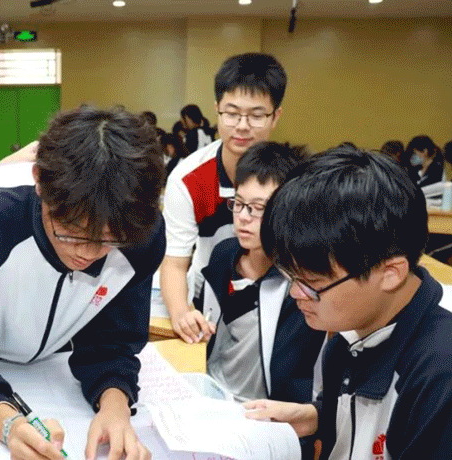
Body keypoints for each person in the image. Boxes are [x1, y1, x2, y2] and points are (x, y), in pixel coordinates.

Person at [0, 106, 165, 460]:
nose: (88, 254)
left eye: (109, 241)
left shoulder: (138, 231)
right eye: (72, 233)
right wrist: (7, 425)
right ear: (39, 182)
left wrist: (115, 407)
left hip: (49, 354)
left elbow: (113, 343)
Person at [244, 146, 452, 459]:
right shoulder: (350, 337)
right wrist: (317, 416)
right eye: (291, 277)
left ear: (391, 273)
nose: (296, 293)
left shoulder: (438, 376)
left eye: (313, 284)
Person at [161, 52, 287, 344]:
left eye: (256, 115)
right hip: (208, 298)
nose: (242, 125)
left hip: (276, 301)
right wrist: (181, 312)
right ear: (217, 110)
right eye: (231, 113)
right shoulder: (188, 178)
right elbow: (175, 263)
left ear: (276, 116)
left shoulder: (291, 179)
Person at [194, 141, 324, 406]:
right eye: (239, 203)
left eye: (258, 208)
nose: (243, 216)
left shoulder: (301, 284)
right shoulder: (223, 255)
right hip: (211, 391)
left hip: (268, 412)